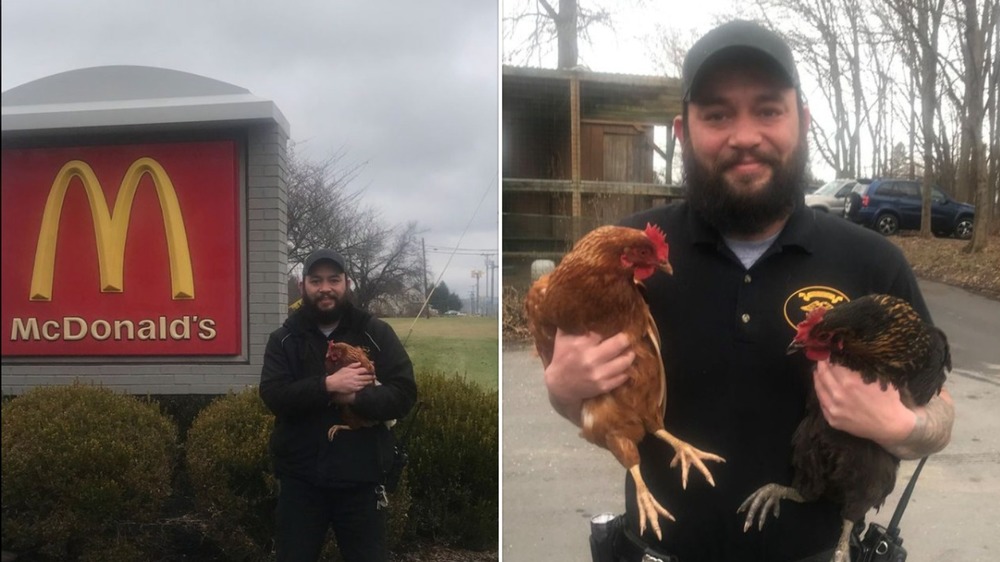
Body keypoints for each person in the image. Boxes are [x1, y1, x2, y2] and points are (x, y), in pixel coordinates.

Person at [543, 20, 955, 562]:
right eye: (716, 114)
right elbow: (593, 401)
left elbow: (939, 411)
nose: (744, 136)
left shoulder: (872, 261)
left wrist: (905, 426)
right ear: (682, 132)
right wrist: (562, 391)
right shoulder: (631, 259)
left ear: (801, 123)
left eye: (768, 109)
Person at [260, 248, 417, 562]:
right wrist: (327, 386)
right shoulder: (284, 339)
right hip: (300, 480)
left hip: (361, 479)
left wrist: (357, 397)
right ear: (303, 286)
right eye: (316, 280)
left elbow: (404, 394)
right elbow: (273, 394)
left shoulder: (375, 333)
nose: (325, 288)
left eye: (334, 279)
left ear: (346, 283)